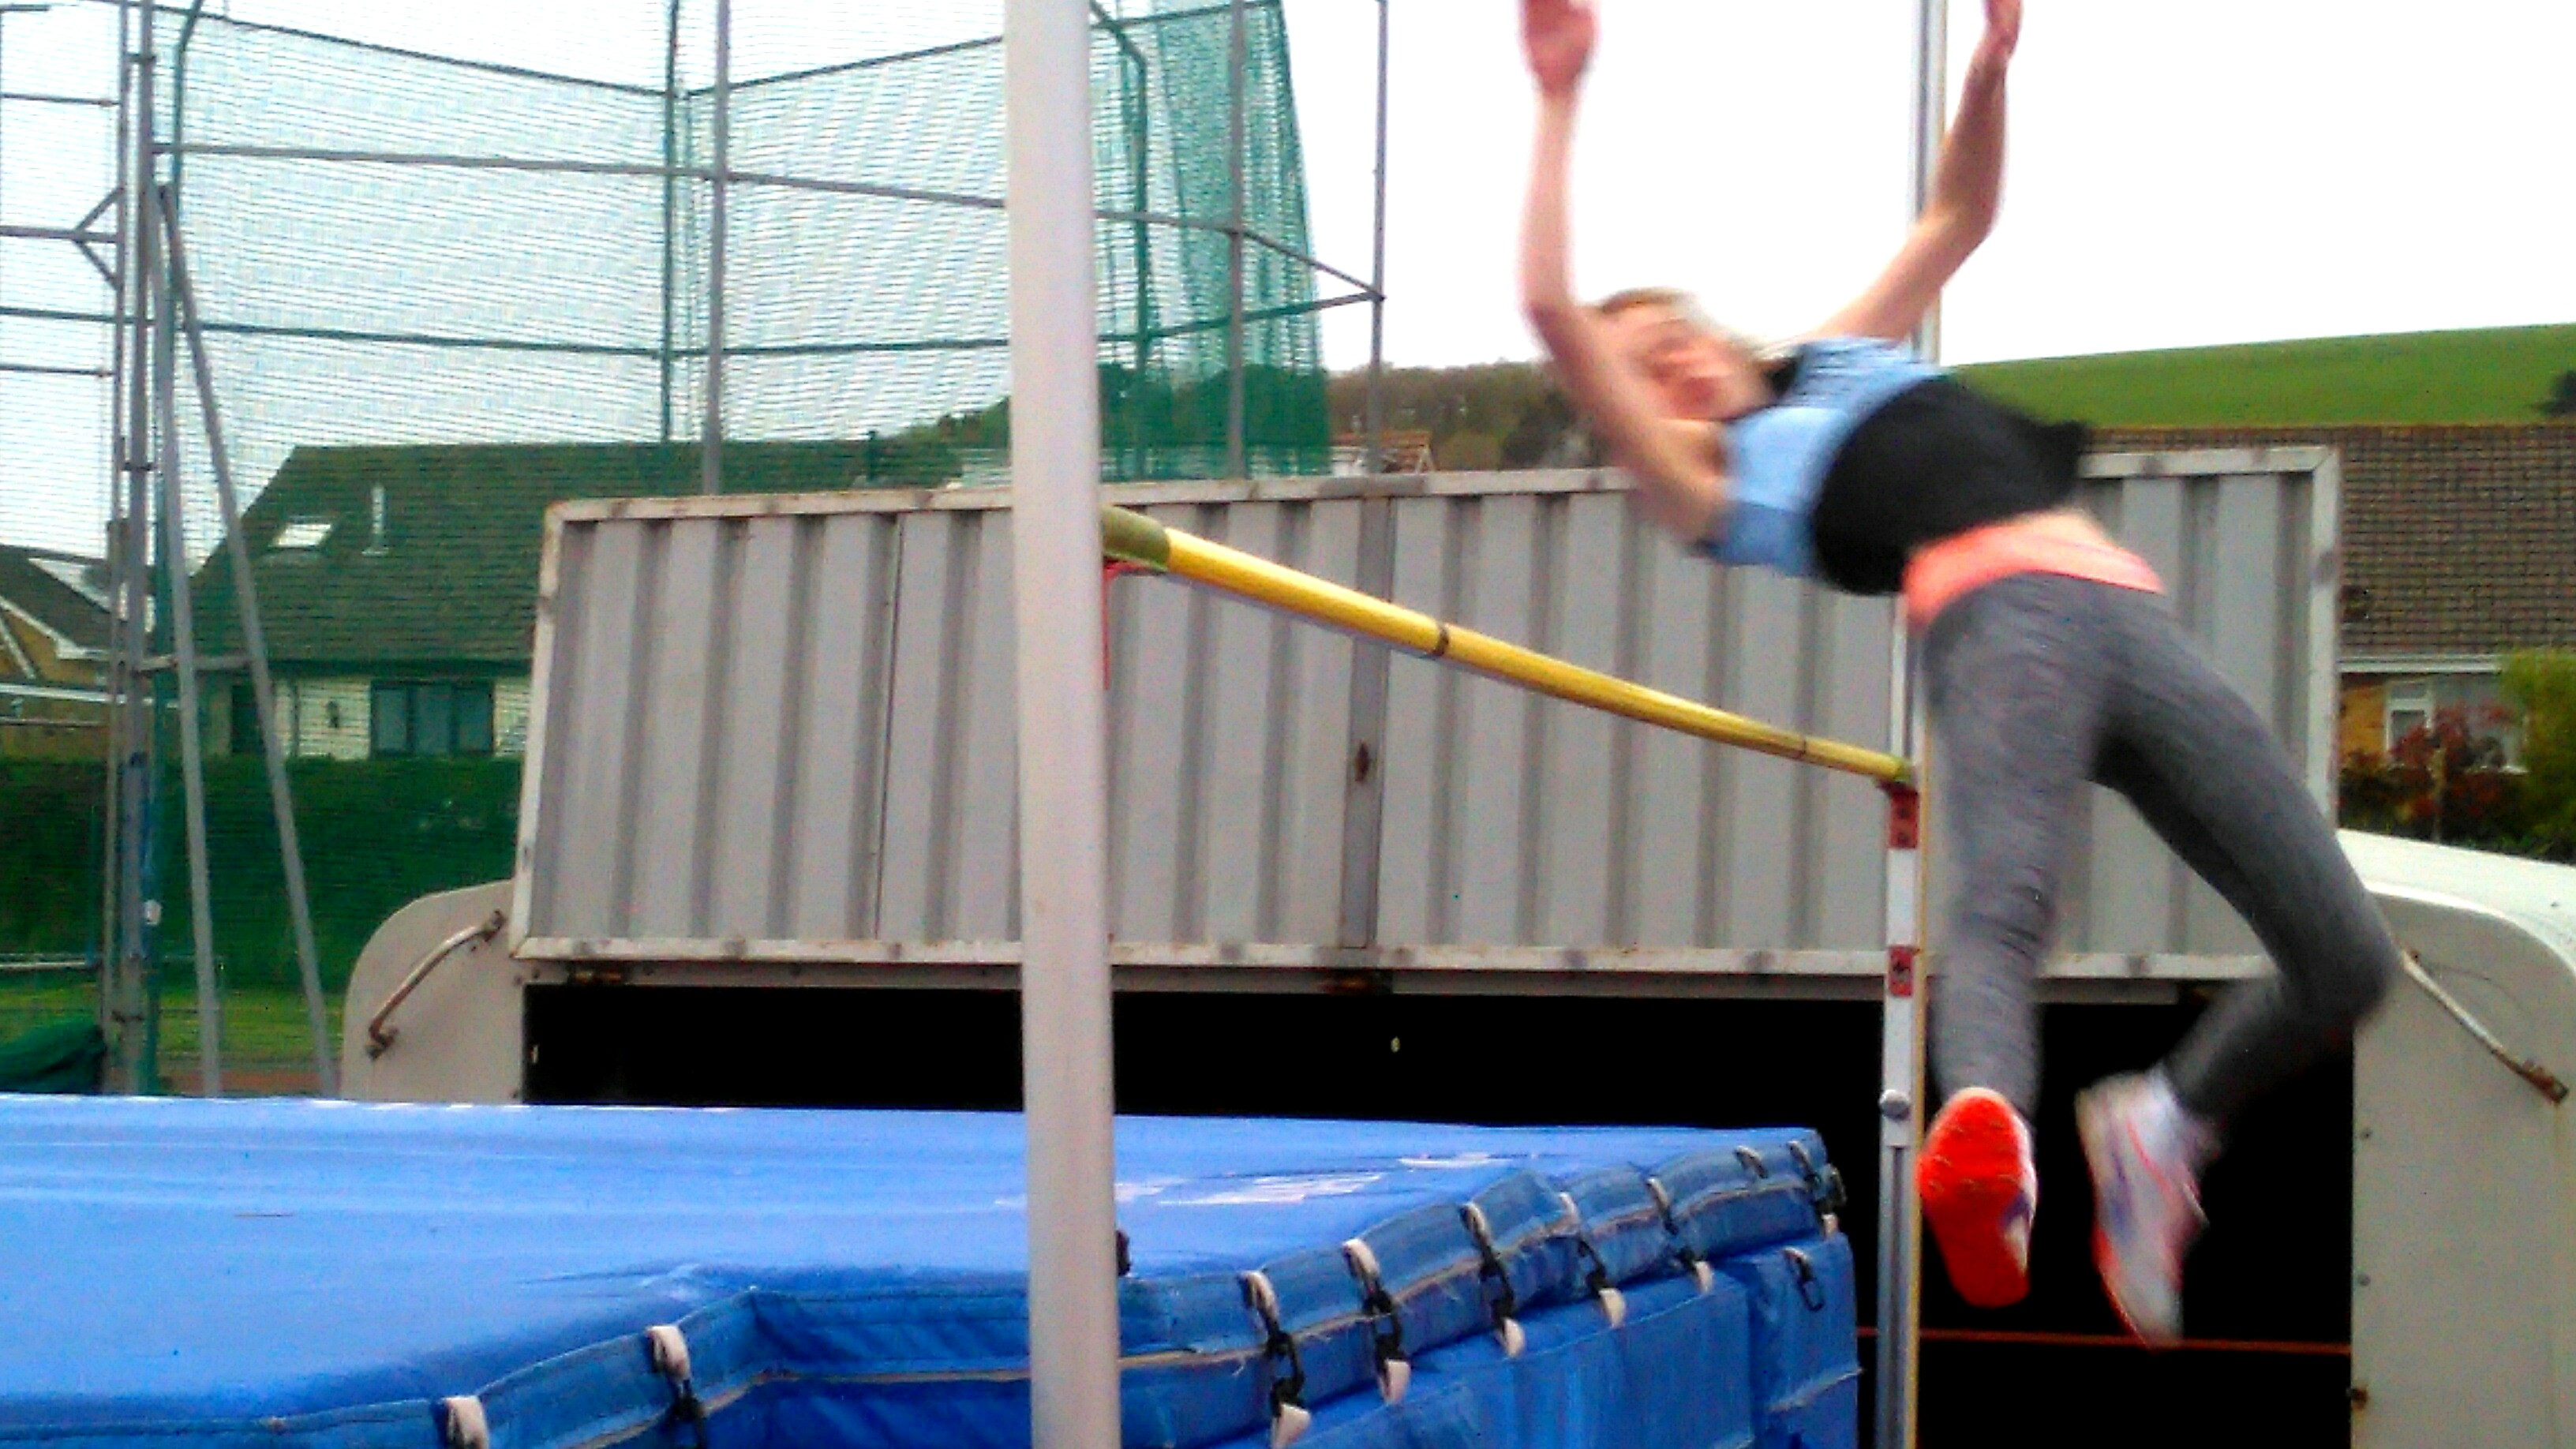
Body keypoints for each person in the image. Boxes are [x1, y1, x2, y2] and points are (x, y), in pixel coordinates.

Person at [1516, 0, 2399, 1342]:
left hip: (2133, 617)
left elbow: (1959, 217)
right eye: (1639, 374)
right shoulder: (1711, 479)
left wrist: (1988, 67)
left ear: (1717, 333)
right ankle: (1989, 1141)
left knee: (2348, 959)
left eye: (1673, 340)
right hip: (2000, 623)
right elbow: (1550, 311)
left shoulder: (1841, 357)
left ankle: (2164, 1126)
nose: (1669, 371)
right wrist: (1559, 97)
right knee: (2009, 900)